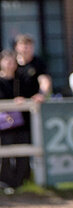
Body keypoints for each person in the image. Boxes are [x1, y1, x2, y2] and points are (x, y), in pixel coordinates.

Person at [0, 47, 32, 190]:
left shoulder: (22, 79)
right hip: (3, 126)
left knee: (23, 154)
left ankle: (20, 183)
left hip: (21, 124)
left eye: (12, 62)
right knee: (5, 155)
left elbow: (32, 94)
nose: (10, 64)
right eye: (7, 61)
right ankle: (5, 182)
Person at [14, 33, 52, 101]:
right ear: (16, 47)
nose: (25, 49)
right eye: (23, 46)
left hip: (34, 101)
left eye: (28, 46)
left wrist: (41, 94)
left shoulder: (38, 63)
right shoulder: (12, 63)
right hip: (14, 103)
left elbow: (44, 80)